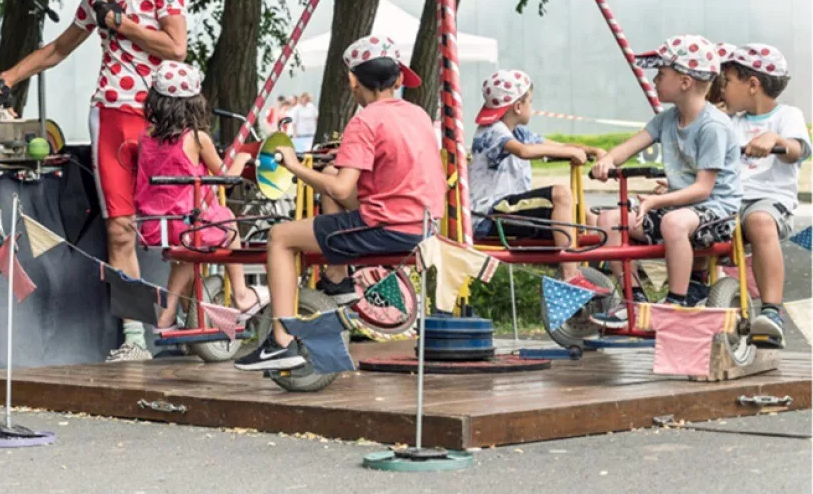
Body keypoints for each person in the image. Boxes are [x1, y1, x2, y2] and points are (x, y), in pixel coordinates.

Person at [0, 0, 187, 362]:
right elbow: (57, 49)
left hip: (161, 115)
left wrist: (122, 24)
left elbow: (176, 47)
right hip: (111, 113)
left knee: (180, 223)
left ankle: (191, 317)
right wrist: (7, 78)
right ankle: (135, 338)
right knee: (120, 229)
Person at [235, 36, 445, 371]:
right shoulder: (417, 114)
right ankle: (337, 279)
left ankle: (280, 341)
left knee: (280, 237)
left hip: (388, 227)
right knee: (332, 175)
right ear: (399, 79)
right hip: (423, 223)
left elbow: (342, 185)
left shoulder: (364, 120)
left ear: (352, 80)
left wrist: (294, 165)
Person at [590, 35, 741, 327]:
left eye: (661, 74)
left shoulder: (713, 127)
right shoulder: (666, 119)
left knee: (673, 223)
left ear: (685, 82)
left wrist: (657, 200)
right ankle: (632, 299)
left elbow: (703, 189)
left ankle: (677, 301)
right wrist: (608, 160)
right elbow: (631, 145)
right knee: (610, 219)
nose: (655, 80)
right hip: (679, 209)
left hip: (716, 211)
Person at [134, 61, 270, 332]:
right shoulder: (197, 138)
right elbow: (226, 179)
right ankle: (242, 295)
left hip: (155, 224)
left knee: (188, 253)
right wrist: (242, 157)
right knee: (228, 220)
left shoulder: (146, 136)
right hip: (188, 223)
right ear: (194, 103)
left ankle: (167, 316)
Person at [469, 69, 605, 287]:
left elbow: (557, 146)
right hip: (489, 215)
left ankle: (590, 276)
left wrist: (593, 150)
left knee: (585, 214)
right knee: (561, 193)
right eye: (530, 101)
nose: (532, 107)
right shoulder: (492, 130)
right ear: (518, 106)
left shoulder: (518, 132)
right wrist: (570, 154)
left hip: (508, 211)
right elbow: (524, 152)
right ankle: (570, 276)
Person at [718, 43, 810, 348]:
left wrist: (775, 140)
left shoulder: (787, 115)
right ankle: (691, 292)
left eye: (728, 82)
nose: (723, 89)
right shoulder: (732, 121)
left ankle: (771, 311)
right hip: (729, 201)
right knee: (690, 220)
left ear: (753, 85)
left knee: (758, 221)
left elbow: (796, 150)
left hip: (768, 203)